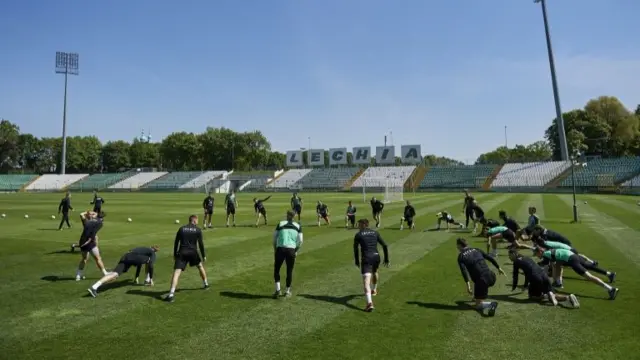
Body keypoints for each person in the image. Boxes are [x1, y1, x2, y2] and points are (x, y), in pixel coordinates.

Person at [535, 247, 618, 300]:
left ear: (540, 252)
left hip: (572, 260)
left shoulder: (546, 255)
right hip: (574, 256)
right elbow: (557, 265)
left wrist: (540, 278)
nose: (537, 256)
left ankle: (611, 289)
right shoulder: (550, 252)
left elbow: (547, 267)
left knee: (589, 277)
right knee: (558, 265)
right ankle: (558, 282)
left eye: (536, 254)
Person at [508, 250, 579, 308]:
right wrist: (525, 285)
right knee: (549, 292)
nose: (509, 257)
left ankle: (550, 295)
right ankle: (567, 297)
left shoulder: (516, 262)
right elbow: (527, 273)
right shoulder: (526, 258)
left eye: (510, 255)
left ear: (514, 254)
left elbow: (516, 276)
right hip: (544, 275)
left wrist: (514, 287)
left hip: (535, 278)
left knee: (532, 297)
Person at [164, 215, 209, 303]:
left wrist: (174, 253)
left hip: (182, 252)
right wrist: (203, 255)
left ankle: (171, 294)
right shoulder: (198, 230)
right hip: (193, 252)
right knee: (200, 266)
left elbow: (176, 242)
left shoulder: (181, 229)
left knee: (177, 272)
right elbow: (201, 244)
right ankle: (206, 284)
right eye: (197, 220)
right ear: (194, 221)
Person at [456, 238, 504, 316]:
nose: (457, 248)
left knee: (478, 306)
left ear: (459, 245)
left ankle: (491, 304)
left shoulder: (461, 256)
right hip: (491, 277)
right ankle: (478, 297)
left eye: (457, 246)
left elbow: (464, 271)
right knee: (478, 281)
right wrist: (498, 267)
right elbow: (489, 258)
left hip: (482, 281)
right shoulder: (476, 249)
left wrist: (468, 285)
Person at [87, 246, 159, 297]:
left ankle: (94, 287)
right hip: (133, 256)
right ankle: (148, 279)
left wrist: (136, 277)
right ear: (155, 251)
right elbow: (151, 266)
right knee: (149, 261)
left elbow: (139, 264)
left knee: (115, 274)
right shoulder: (152, 254)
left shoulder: (143, 250)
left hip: (126, 256)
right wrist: (151, 279)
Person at [353, 219, 389, 312]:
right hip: (376, 257)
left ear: (363, 225)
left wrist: (357, 260)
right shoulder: (375, 232)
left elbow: (356, 249)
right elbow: (385, 245)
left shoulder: (358, 235)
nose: (358, 227)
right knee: (375, 272)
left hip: (367, 259)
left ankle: (369, 303)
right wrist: (386, 259)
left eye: (359, 225)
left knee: (366, 281)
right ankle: (375, 289)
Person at [272, 210, 304, 298]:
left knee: (276, 269)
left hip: (280, 249)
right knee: (289, 270)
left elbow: (274, 238)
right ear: (294, 217)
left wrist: (275, 249)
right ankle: (287, 291)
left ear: (287, 215)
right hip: (291, 250)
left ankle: (278, 290)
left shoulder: (281, 224)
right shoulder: (298, 226)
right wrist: (296, 250)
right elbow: (300, 241)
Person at [75, 211, 109, 280]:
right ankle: (105, 273)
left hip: (83, 242)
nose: (93, 214)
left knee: (84, 259)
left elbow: (81, 214)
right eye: (92, 214)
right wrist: (93, 214)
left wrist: (87, 212)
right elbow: (100, 219)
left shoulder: (86, 222)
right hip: (90, 242)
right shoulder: (100, 223)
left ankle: (78, 275)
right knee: (97, 258)